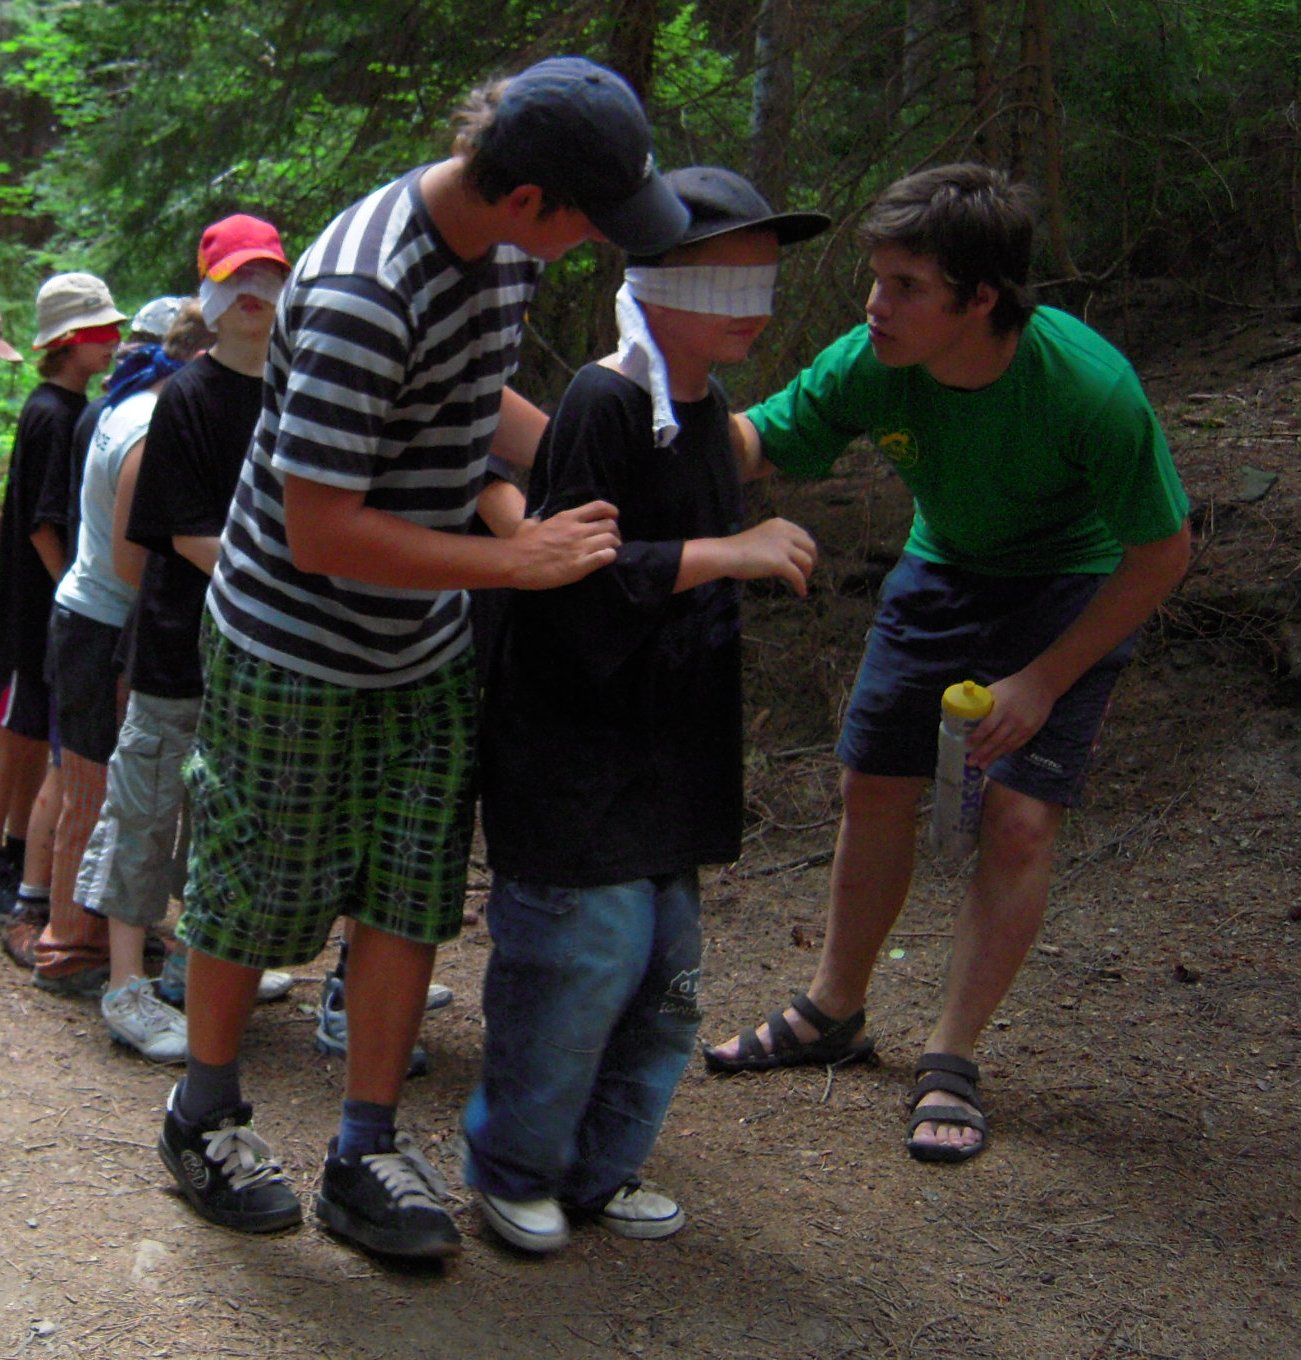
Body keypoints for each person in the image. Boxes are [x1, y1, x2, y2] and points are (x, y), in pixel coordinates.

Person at [156, 55, 689, 1261]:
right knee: (253, 884)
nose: (591, 247)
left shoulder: (501, 252)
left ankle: (364, 1148)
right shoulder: (364, 289)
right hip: (293, 642)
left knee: (406, 893)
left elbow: (471, 394)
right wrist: (517, 560)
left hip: (421, 641)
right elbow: (321, 529)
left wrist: (593, 468)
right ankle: (205, 1114)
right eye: (588, 223)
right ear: (528, 197)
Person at [701, 163, 1191, 1165]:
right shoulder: (873, 361)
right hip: (941, 568)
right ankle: (833, 1009)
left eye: (905, 286)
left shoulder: (1087, 389)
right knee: (873, 784)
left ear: (979, 299)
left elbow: (1160, 552)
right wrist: (640, 425)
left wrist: (1042, 680)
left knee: (1016, 821)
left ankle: (951, 1055)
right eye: (876, 278)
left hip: (1069, 586)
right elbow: (759, 440)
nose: (873, 305)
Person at [463, 166, 826, 1254]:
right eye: (728, 275)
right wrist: (728, 552)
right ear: (663, 282)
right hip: (573, 761)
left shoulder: (702, 413)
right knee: (579, 966)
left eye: (764, 275)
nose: (753, 299)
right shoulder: (604, 401)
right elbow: (570, 578)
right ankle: (515, 1168)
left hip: (664, 757)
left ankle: (598, 1168)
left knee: (666, 980)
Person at [75, 219, 292, 1061]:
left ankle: (201, 963)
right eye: (237, 281)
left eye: (268, 278)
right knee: (145, 809)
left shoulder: (294, 389)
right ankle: (125, 982)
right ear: (208, 294)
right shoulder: (186, 397)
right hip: (176, 645)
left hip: (260, 649)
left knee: (228, 815)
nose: (253, 296)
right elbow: (180, 529)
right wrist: (281, 575)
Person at [32, 302, 211, 996]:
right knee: (93, 790)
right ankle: (69, 948)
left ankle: (98, 935)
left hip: (98, 621)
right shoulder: (145, 427)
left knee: (92, 785)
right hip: (103, 627)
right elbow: (136, 565)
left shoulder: (134, 405)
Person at [0, 275, 125, 962]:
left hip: (46, 607)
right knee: (21, 740)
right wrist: (66, 593)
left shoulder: (67, 406)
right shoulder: (53, 413)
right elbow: (42, 525)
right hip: (33, 608)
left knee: (32, 738)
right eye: (102, 330)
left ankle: (16, 853)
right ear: (71, 340)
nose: (114, 340)